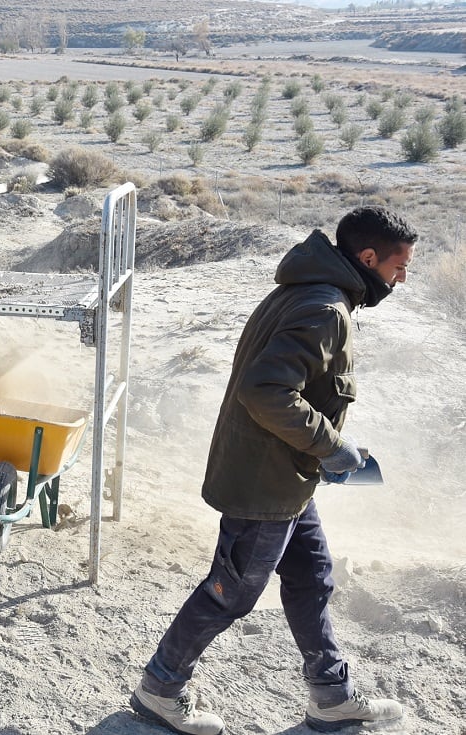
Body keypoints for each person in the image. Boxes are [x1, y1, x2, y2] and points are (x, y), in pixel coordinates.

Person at [130, 205, 417, 735]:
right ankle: (160, 689)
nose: (402, 278)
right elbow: (266, 391)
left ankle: (331, 696)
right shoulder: (325, 306)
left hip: (287, 478)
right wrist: (331, 447)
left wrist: (326, 449)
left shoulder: (310, 288)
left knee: (312, 578)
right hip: (266, 484)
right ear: (369, 257)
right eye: (399, 267)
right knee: (233, 591)